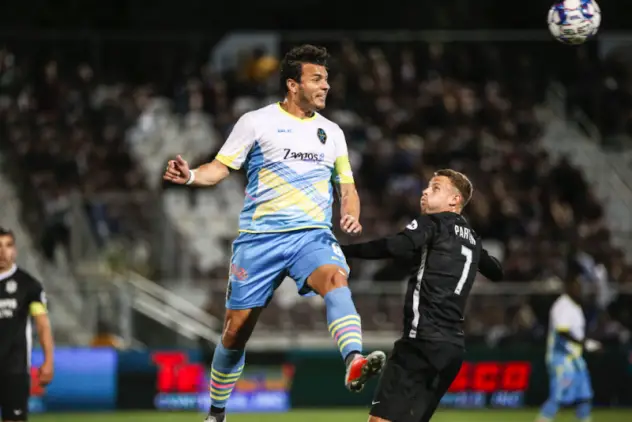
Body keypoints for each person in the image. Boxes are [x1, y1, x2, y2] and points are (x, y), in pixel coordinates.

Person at [163, 44, 386, 422]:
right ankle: (216, 412)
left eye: (327, 79)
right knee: (235, 332)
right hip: (259, 240)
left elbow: (347, 188)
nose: (326, 86)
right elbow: (220, 167)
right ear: (292, 85)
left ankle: (353, 360)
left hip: (310, 236)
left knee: (336, 278)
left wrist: (349, 212)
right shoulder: (256, 122)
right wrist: (191, 176)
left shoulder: (331, 133)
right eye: (317, 78)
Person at [341, 169, 503, 422]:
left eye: (436, 188)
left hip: (420, 343)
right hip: (452, 349)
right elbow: (496, 272)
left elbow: (395, 246)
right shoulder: (472, 239)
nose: (425, 191)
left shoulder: (433, 223)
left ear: (454, 200)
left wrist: (342, 251)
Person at [0, 228, 54, 422]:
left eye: (8, 245)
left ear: (15, 250)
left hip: (14, 369)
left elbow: (42, 325)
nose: (3, 252)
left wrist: (48, 360)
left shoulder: (29, 286)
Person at [535, 277, 600, 422]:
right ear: (568, 288)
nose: (580, 290)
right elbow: (562, 332)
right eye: (576, 287)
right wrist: (586, 344)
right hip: (561, 358)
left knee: (585, 397)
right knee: (558, 398)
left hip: (576, 359)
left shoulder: (575, 306)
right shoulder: (563, 305)